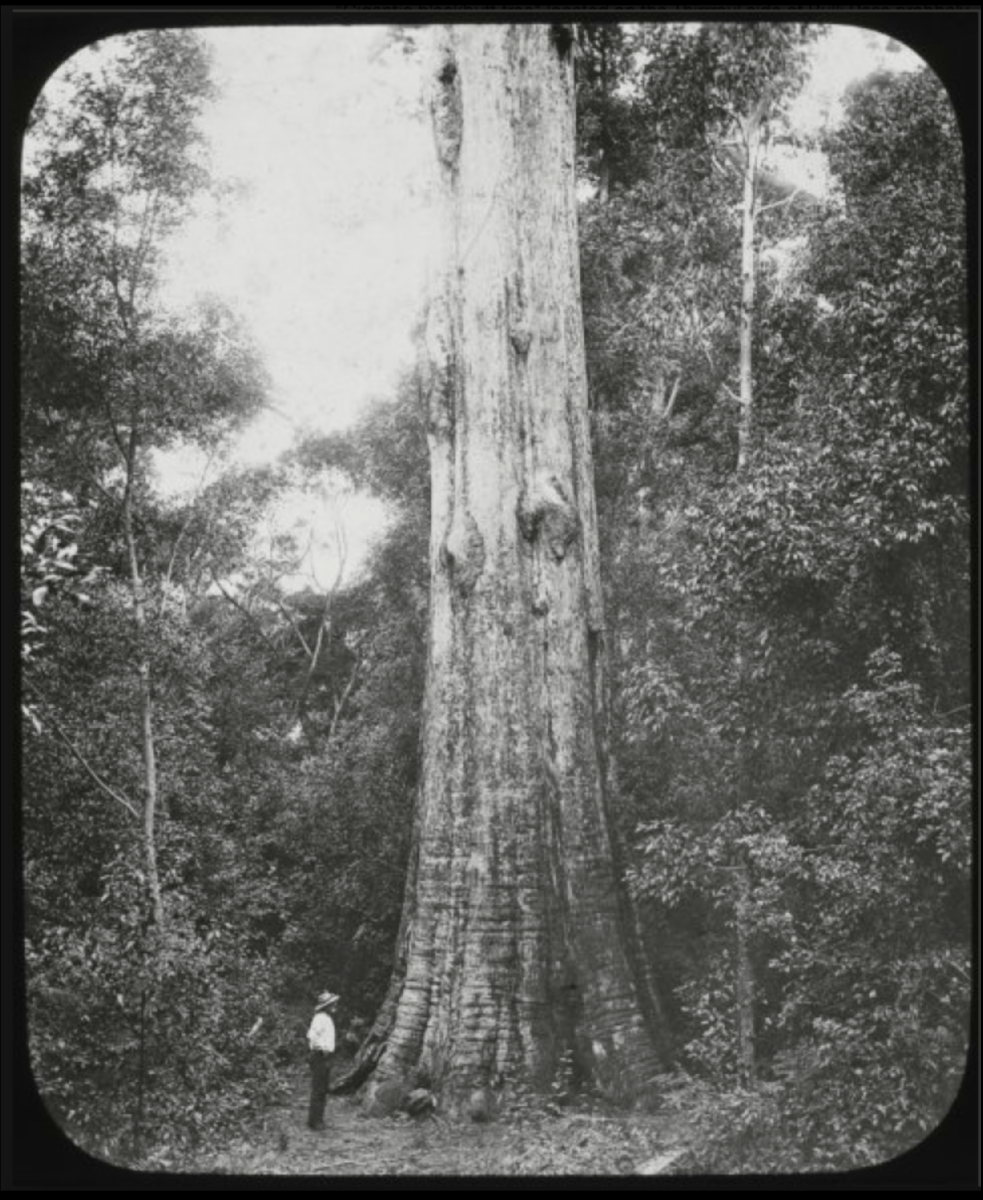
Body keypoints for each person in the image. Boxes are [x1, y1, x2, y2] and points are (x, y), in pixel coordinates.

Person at [307, 990, 338, 1131]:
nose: (335, 1005)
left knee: (322, 1089)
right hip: (320, 1056)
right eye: (332, 1004)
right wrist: (321, 1048)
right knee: (318, 1089)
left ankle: (317, 1119)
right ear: (326, 1005)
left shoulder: (326, 1018)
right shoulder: (320, 1018)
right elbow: (311, 1035)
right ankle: (315, 1121)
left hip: (324, 1056)